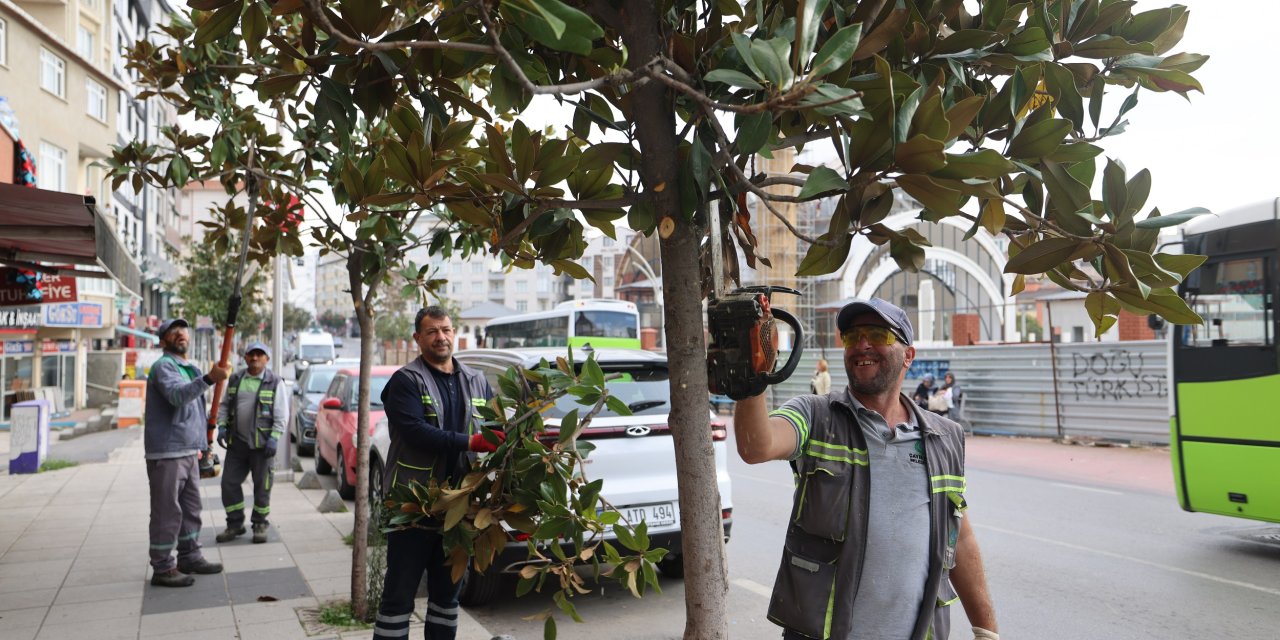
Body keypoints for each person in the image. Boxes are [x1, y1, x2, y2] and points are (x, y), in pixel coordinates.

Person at [733, 298, 999, 640]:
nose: (862, 345)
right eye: (852, 336)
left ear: (908, 355)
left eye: (878, 334)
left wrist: (987, 631)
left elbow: (959, 536)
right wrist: (753, 372)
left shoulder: (945, 436)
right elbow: (756, 446)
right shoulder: (816, 416)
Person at [372, 306, 500, 640]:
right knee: (399, 596)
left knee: (447, 598)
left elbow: (494, 427)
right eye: (432, 331)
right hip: (413, 507)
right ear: (418, 338)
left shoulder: (477, 380)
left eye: (445, 329)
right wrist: (471, 441)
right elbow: (415, 432)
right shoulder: (406, 381)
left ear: (453, 332)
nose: (440, 337)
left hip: (459, 509)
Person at [144, 318, 231, 588]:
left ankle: (190, 555)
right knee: (166, 511)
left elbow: (196, 411)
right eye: (173, 331)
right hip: (167, 452)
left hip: (189, 451)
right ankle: (162, 566)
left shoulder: (188, 367)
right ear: (163, 340)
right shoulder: (163, 367)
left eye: (183, 329)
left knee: (191, 509)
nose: (181, 333)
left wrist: (204, 446)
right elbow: (177, 397)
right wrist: (208, 379)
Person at [215, 341, 288, 545]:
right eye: (251, 354)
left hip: (262, 446)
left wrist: (274, 437)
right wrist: (221, 426)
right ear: (245, 357)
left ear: (267, 359)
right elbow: (224, 405)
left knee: (262, 487)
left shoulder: (275, 382)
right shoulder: (236, 379)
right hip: (237, 443)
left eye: (259, 355)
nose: (255, 358)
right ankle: (235, 524)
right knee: (229, 484)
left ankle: (260, 524)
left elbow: (282, 414)